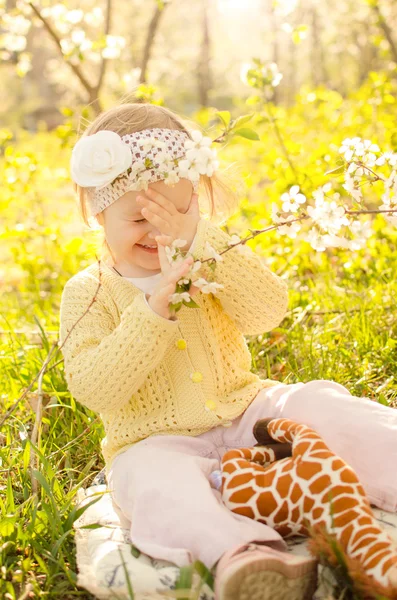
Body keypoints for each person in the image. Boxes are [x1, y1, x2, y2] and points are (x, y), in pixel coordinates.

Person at [59, 102, 397, 600]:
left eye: (179, 212)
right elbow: (94, 388)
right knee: (151, 484)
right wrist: (153, 313)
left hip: (248, 411)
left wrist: (203, 246)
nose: (160, 231)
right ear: (97, 213)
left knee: (320, 404)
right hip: (157, 441)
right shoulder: (88, 291)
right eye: (138, 218)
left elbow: (268, 312)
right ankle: (245, 556)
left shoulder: (210, 254)